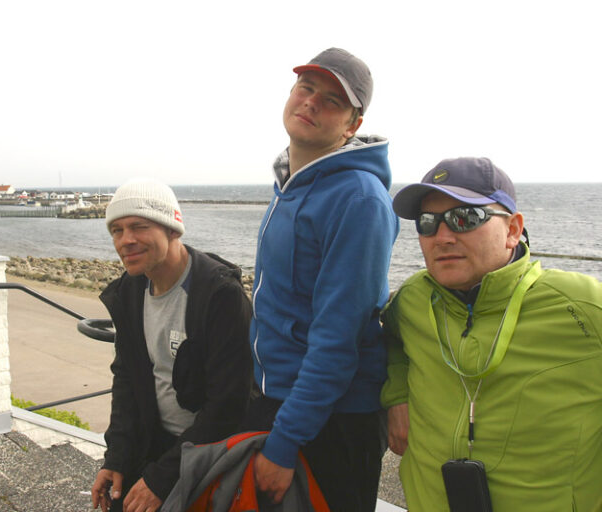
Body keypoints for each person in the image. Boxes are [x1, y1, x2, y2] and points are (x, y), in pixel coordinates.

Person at [381, 157, 602, 511]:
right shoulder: (411, 300)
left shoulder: (584, 307)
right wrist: (397, 396)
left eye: (465, 218)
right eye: (428, 223)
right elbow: (390, 339)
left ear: (513, 229)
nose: (442, 237)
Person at [243, 48, 399, 511]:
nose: (311, 102)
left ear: (352, 125)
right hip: (281, 401)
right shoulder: (291, 186)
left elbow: (338, 338)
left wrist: (285, 442)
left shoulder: (358, 199)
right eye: (306, 88)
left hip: (331, 421)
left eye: (332, 101)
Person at [90, 179, 253, 512]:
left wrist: (164, 478)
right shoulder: (130, 291)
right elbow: (127, 378)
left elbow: (229, 406)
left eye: (139, 226)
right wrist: (117, 457)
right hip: (153, 441)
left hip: (209, 452)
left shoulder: (219, 295)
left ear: (173, 229)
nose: (125, 240)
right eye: (117, 231)